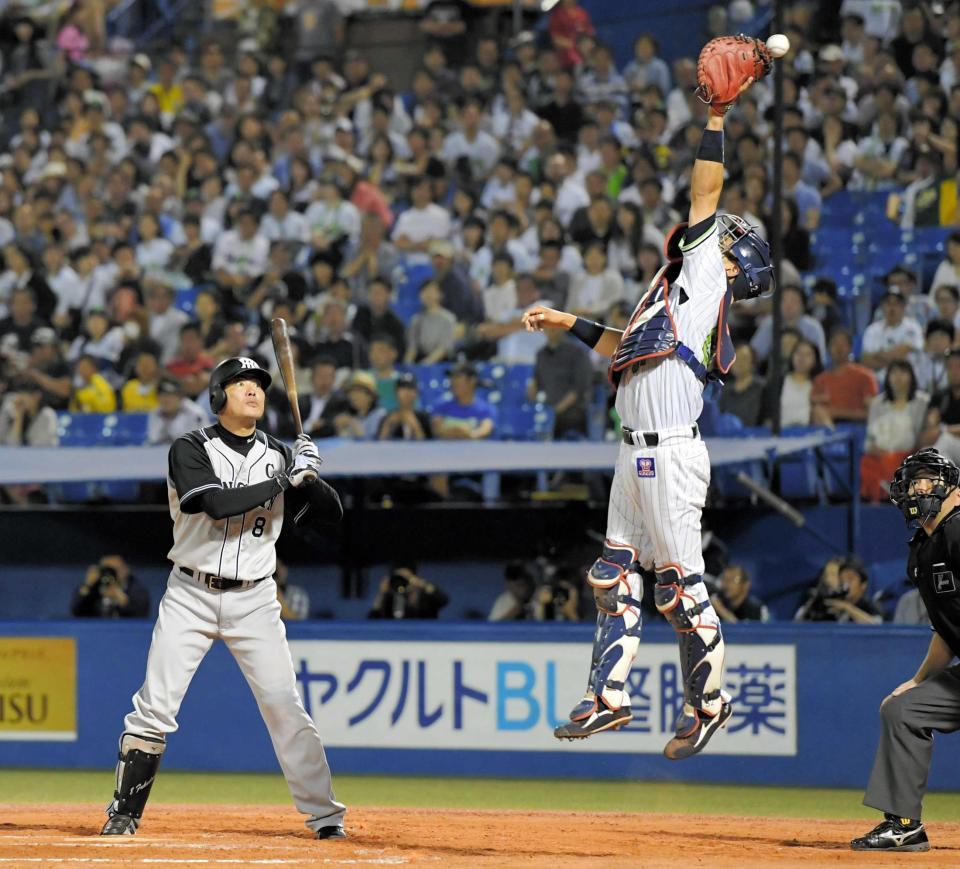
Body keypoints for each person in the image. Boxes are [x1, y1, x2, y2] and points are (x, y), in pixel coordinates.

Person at [522, 65, 774, 758]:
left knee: (681, 588)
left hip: (670, 451)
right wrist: (568, 320)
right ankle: (609, 696)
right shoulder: (672, 296)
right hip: (633, 448)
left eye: (728, 237)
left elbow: (705, 190)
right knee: (612, 572)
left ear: (732, 265)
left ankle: (711, 702)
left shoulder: (703, 278)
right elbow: (623, 346)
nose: (717, 232)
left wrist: (717, 118)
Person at [98, 356, 346, 840]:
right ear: (217, 396)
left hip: (254, 599)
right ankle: (124, 813)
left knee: (284, 706)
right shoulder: (190, 447)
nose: (252, 389)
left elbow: (331, 515)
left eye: (257, 383)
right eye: (239, 383)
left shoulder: (279, 453)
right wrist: (284, 479)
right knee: (155, 705)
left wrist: (312, 477)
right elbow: (214, 504)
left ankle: (326, 817)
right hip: (190, 591)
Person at [851, 449, 960, 852]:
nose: (915, 488)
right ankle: (903, 824)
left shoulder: (959, 529)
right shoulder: (923, 550)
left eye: (925, 480)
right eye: (912, 481)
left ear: (951, 486)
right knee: (902, 709)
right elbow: (948, 632)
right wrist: (917, 681)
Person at [861, 360, 928, 501]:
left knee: (898, 463)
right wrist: (874, 449)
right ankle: (874, 507)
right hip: (880, 452)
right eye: (894, 372)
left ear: (911, 376)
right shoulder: (877, 403)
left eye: (903, 372)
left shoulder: (923, 402)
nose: (898, 376)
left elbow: (922, 436)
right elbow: (869, 439)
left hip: (909, 452)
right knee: (866, 464)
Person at [811, 328, 878, 423]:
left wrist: (839, 413)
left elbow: (873, 413)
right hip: (827, 426)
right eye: (834, 344)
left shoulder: (865, 376)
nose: (839, 348)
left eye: (843, 344)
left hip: (857, 428)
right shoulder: (820, 380)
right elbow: (815, 412)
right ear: (828, 349)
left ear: (851, 348)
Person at [794, 555, 883, 624]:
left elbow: (879, 627)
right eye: (842, 579)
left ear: (863, 584)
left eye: (850, 579)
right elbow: (799, 623)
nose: (845, 584)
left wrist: (848, 608)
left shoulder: (869, 605)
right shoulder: (832, 601)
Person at [71, 555, 150, 619]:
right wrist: (88, 585)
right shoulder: (93, 590)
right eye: (107, 569)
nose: (111, 574)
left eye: (116, 569)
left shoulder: (135, 589)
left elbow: (141, 615)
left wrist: (121, 598)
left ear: (126, 569)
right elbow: (77, 612)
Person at [368, 564, 449, 619]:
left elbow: (444, 601)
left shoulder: (425, 595)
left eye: (406, 578)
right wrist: (381, 594)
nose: (401, 583)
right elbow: (372, 618)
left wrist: (423, 584)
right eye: (399, 579)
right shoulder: (391, 597)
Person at [147, 377, 209, 445]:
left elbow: (204, 440)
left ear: (180, 397)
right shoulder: (155, 413)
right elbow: (153, 439)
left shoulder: (195, 413)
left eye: (170, 396)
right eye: (162, 396)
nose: (166, 400)